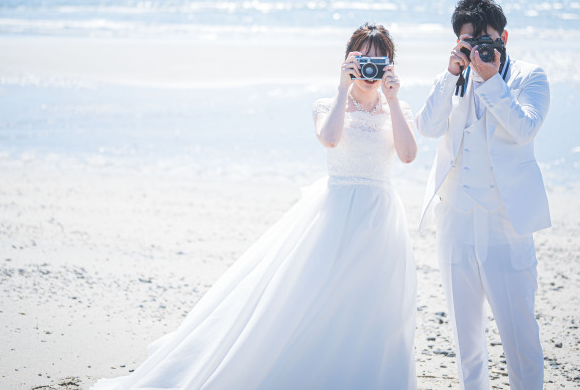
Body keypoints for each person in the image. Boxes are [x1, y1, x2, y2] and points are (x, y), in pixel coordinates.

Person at [92, 22, 418, 390]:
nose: (371, 70)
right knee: (313, 303)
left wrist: (391, 100)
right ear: (349, 61)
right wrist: (343, 89)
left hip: (381, 221)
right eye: (364, 60)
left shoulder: (398, 108)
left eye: (381, 60)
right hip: (335, 216)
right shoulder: (327, 104)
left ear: (391, 64)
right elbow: (329, 139)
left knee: (373, 308)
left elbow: (408, 156)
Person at [415, 0, 550, 390]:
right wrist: (449, 73)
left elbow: (524, 129)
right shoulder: (453, 76)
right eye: (469, 43)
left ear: (504, 36)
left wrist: (491, 81)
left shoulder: (531, 78)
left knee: (520, 337)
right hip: (456, 221)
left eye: (487, 41)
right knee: (465, 340)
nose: (479, 51)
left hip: (505, 224)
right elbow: (426, 126)